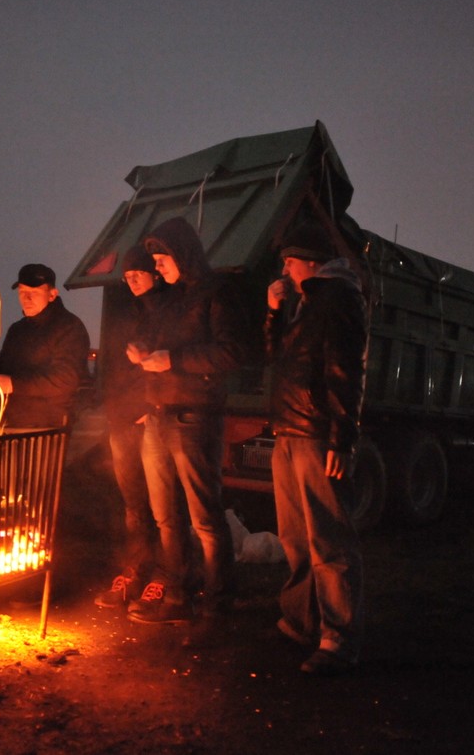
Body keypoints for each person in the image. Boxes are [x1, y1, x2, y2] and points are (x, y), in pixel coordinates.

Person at [126, 217, 250, 625]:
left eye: (162, 259)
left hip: (195, 417)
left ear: (182, 254)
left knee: (204, 516)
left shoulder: (217, 293)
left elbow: (233, 352)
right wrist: (144, 349)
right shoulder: (170, 299)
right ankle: (178, 594)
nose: (157, 266)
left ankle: (219, 600)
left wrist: (174, 360)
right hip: (158, 415)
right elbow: (160, 342)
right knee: (166, 516)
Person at [264, 222, 369, 675]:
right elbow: (277, 359)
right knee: (295, 536)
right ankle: (301, 621)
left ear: (310, 261)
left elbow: (345, 371)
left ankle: (338, 638)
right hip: (290, 430)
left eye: (289, 262)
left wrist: (341, 438)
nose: (285, 270)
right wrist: (274, 313)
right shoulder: (307, 302)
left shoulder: (338, 298)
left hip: (315, 433)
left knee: (329, 537)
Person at [93, 245, 164, 608]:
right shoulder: (125, 312)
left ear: (154, 273)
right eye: (127, 276)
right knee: (133, 504)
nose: (132, 281)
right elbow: (112, 365)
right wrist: (111, 406)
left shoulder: (166, 311)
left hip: (149, 418)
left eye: (138, 274)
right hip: (121, 418)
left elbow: (161, 366)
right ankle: (134, 573)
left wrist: (148, 406)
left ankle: (164, 577)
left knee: (163, 505)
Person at [0, 263, 90, 430]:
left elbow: (65, 379)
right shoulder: (17, 329)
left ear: (52, 295)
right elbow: (1, 363)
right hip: (9, 423)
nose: (27, 298)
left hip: (47, 428)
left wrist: (13, 384)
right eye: (22, 292)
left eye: (34, 292)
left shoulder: (69, 328)